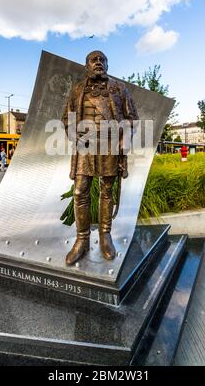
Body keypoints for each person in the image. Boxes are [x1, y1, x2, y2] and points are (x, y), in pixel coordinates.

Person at [62, 50, 139, 266]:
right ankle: (82, 239)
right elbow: (66, 119)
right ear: (86, 65)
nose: (98, 63)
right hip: (85, 147)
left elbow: (132, 119)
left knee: (106, 191)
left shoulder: (119, 88)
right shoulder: (77, 89)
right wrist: (73, 132)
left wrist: (125, 140)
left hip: (109, 145)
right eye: (94, 60)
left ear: (107, 64)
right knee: (80, 192)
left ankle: (105, 236)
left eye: (102, 60)